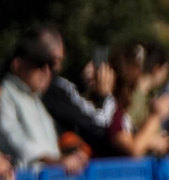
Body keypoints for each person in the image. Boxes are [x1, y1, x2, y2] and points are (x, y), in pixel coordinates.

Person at [0, 36, 90, 175]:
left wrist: (69, 158)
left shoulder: (34, 97)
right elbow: (14, 139)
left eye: (49, 65)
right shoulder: (3, 94)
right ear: (17, 64)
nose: (46, 71)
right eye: (39, 64)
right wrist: (56, 161)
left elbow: (49, 148)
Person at [37, 27, 117, 156]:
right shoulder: (52, 90)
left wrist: (82, 83)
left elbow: (72, 104)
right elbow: (98, 125)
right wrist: (104, 95)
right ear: (57, 55)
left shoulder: (57, 86)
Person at [102, 43, 169, 158]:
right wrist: (156, 115)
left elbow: (135, 137)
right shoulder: (111, 112)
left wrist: (159, 142)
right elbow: (134, 148)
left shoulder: (120, 111)